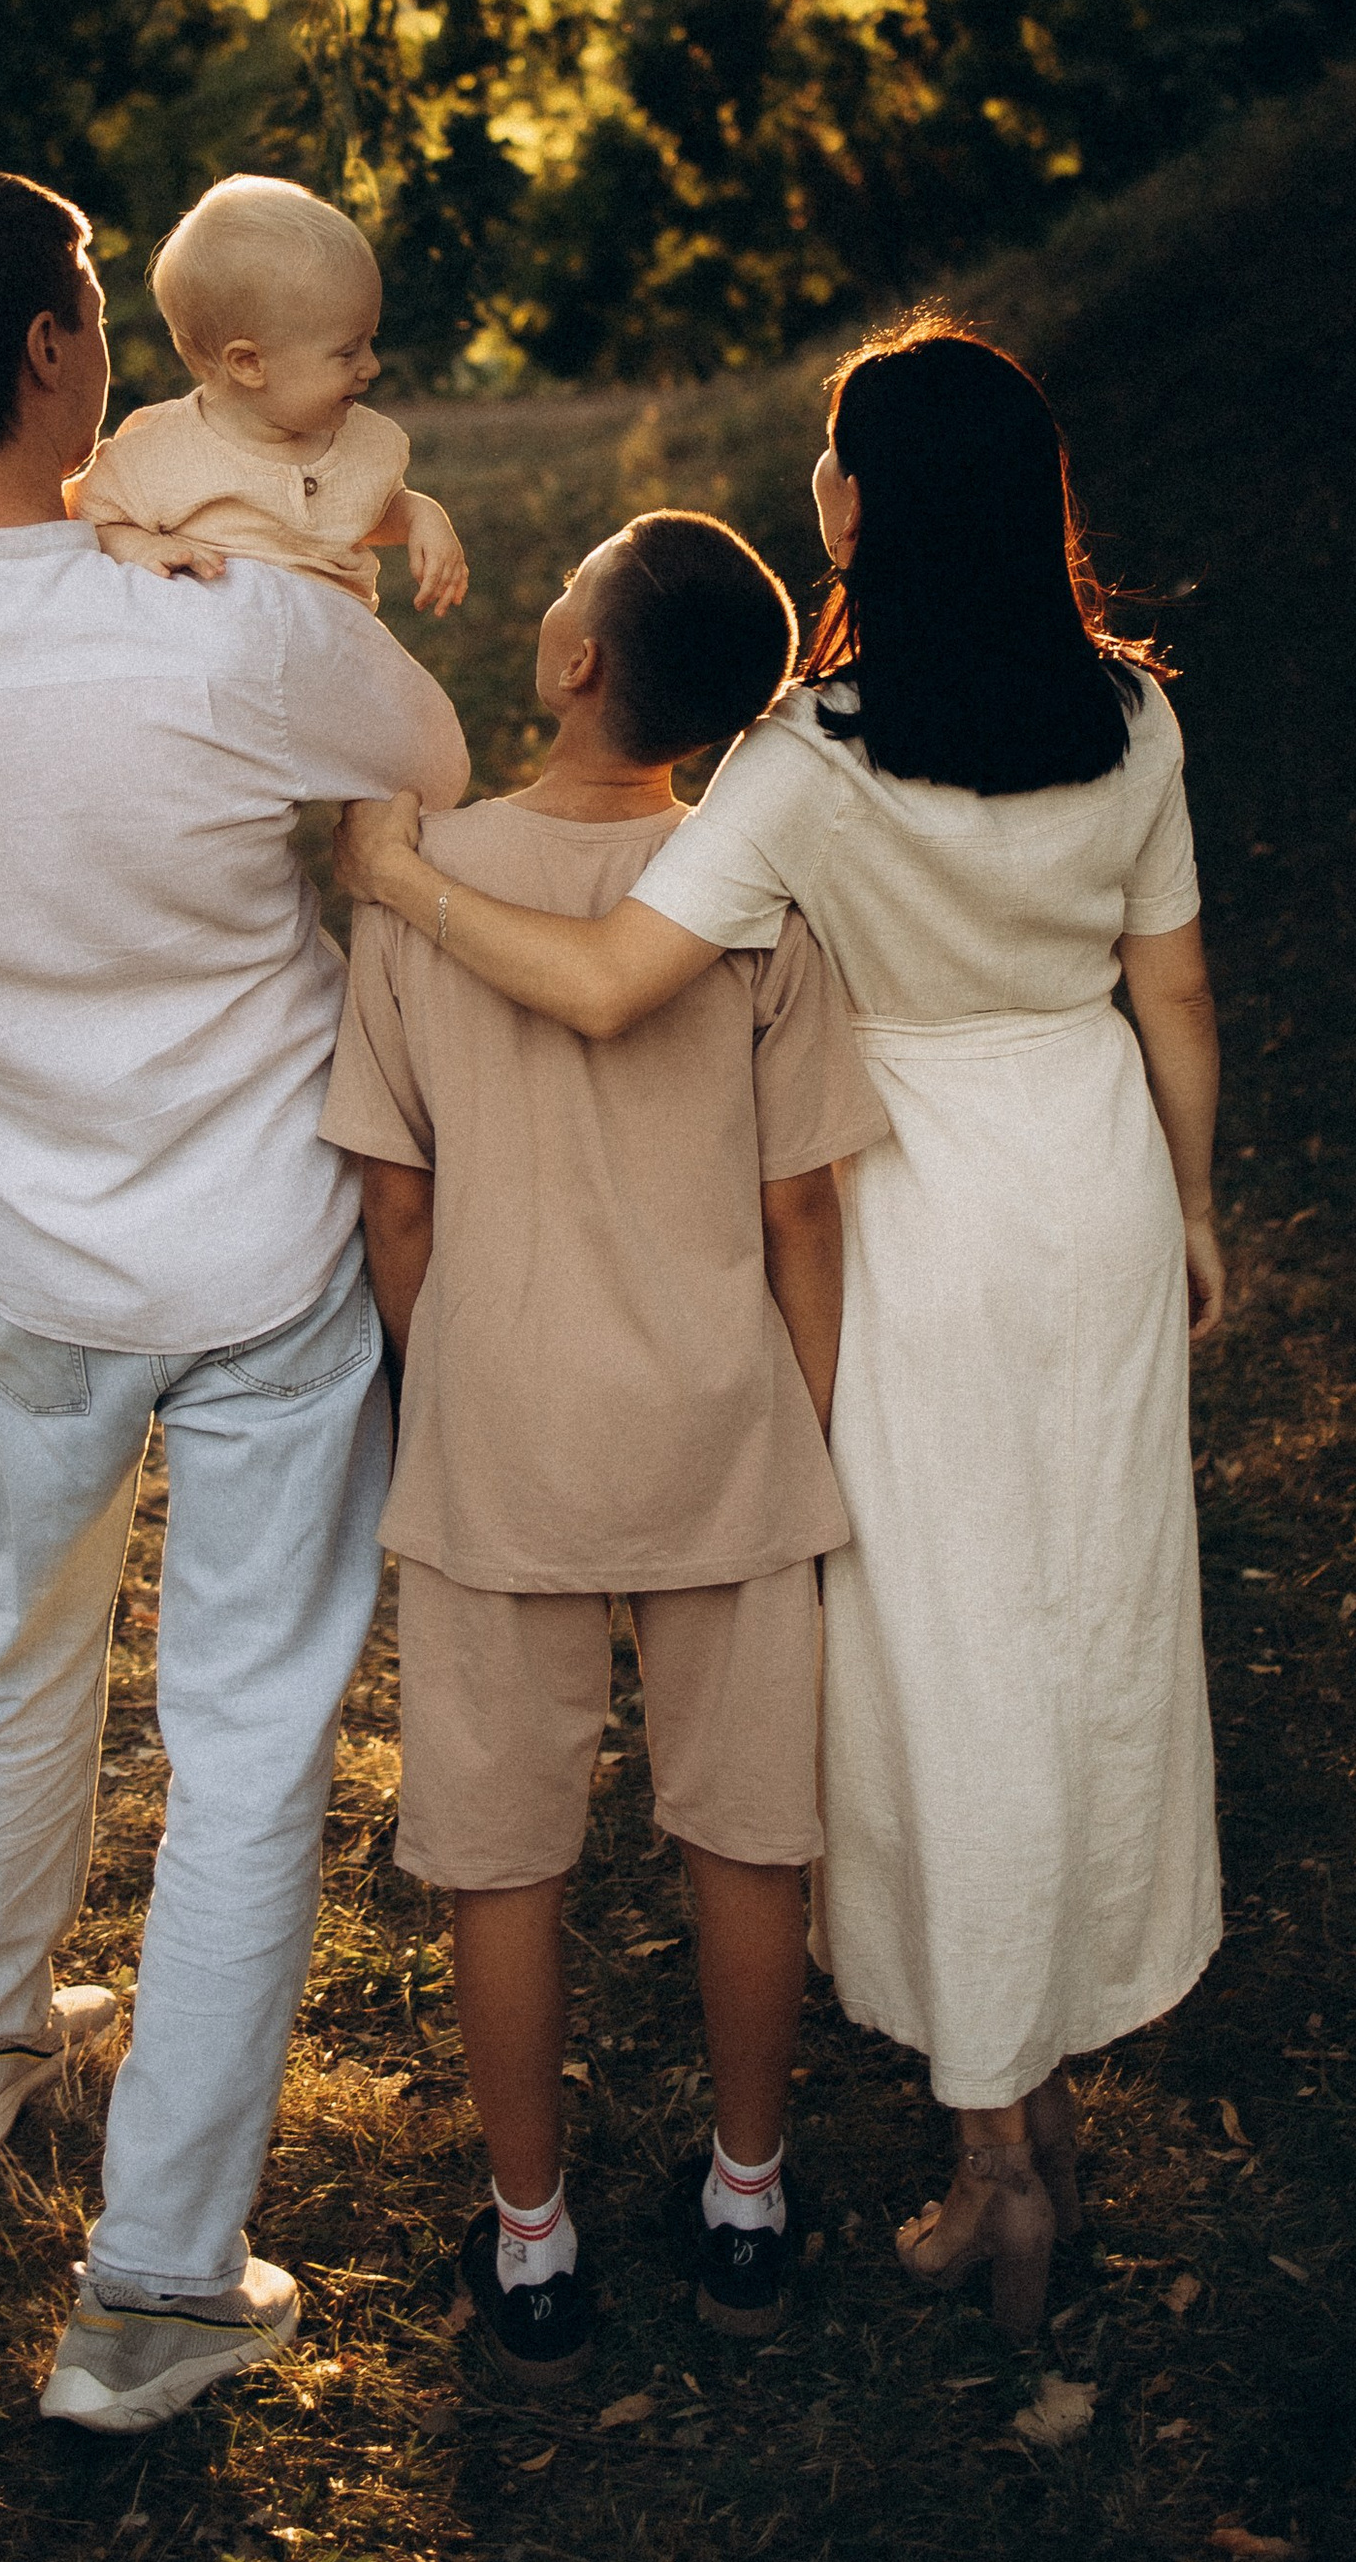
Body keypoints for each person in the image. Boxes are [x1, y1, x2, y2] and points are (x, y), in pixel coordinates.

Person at [336, 314, 1225, 2345]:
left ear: (858, 506)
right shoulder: (1134, 722)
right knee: (1085, 1616)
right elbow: (1168, 995)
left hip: (916, 1196)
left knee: (940, 1663)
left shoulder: (811, 760)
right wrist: (1187, 1198)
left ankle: (983, 2137)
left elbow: (603, 981)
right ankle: (1023, 2086)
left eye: (831, 460)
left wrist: (398, 873)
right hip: (1081, 1176)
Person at [0, 165, 468, 2435]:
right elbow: (426, 768)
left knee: (14, 1621)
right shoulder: (226, 637)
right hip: (256, 1256)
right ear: (65, 353)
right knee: (243, 1743)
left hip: (22, 1256)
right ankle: (153, 2283)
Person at [318, 513, 888, 2382]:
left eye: (563, 587)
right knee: (746, 1825)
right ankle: (746, 2196)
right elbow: (807, 1204)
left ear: (572, 664)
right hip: (726, 1430)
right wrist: (798, 1428)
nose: (547, 604)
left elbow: (394, 1205)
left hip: (502, 1435)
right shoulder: (752, 896)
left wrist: (447, 1377)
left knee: (504, 1852)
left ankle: (536, 2238)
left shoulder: (415, 880)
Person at [68, 172, 468, 616]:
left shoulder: (363, 443)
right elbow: (83, 518)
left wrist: (419, 516)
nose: (371, 366)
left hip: (333, 660)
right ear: (250, 363)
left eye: (370, 341)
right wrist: (134, 545)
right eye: (348, 351)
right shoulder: (156, 453)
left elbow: (366, 508)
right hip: (218, 665)